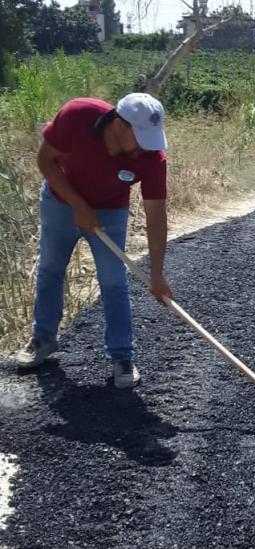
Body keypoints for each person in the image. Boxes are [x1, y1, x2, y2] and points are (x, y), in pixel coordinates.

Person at [10, 93, 173, 389]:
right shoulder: (77, 115)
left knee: (113, 280)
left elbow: (156, 214)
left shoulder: (151, 157)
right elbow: (45, 161)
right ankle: (43, 339)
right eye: (140, 137)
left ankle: (122, 356)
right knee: (50, 269)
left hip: (111, 210)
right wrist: (77, 204)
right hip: (61, 201)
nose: (144, 147)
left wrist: (157, 274)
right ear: (119, 125)